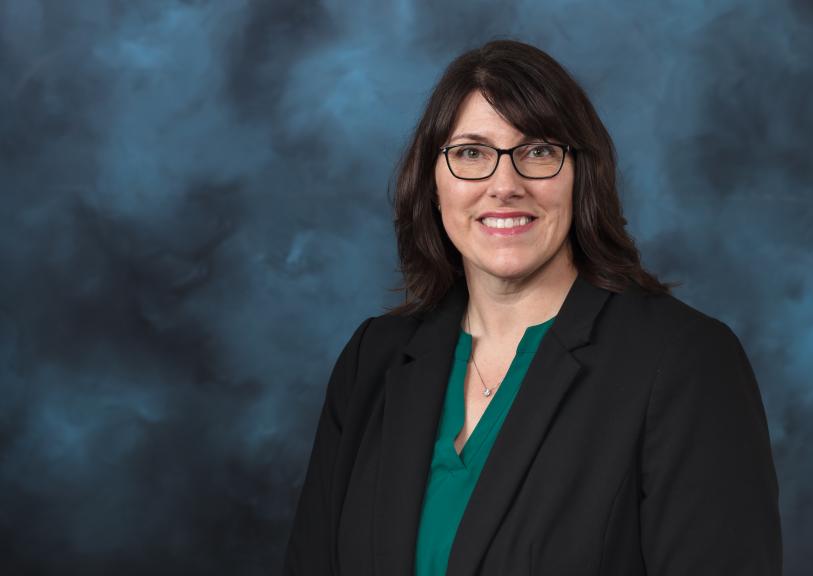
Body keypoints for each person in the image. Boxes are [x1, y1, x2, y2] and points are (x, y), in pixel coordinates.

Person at [284, 39, 782, 575]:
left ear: (581, 175)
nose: (504, 185)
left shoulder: (685, 361)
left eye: (538, 151)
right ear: (433, 182)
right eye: (471, 153)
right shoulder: (373, 360)